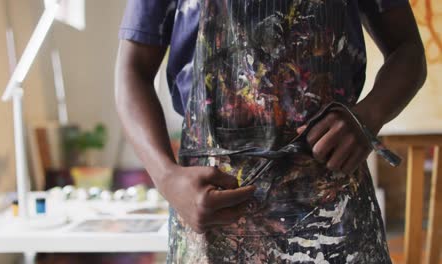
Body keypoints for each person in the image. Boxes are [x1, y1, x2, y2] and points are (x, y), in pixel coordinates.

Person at [115, 0, 426, 263]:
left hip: (334, 206)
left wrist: (369, 115)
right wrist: (166, 176)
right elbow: (133, 70)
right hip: (213, 209)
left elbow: (408, 49)